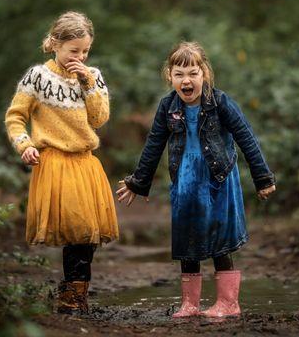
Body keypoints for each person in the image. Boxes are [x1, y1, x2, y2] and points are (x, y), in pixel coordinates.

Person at [117, 41, 275, 319]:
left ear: (205, 73)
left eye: (192, 73)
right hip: (185, 182)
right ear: (170, 76)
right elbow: (154, 144)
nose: (186, 80)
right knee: (186, 238)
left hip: (218, 179)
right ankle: (190, 304)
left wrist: (262, 178)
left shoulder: (221, 102)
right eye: (179, 74)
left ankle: (228, 302)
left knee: (219, 239)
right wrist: (138, 181)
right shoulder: (167, 106)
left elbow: (246, 138)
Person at [5, 11, 118, 315]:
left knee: (86, 236)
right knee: (77, 231)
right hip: (55, 162)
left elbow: (99, 119)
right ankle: (71, 297)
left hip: (85, 163)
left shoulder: (92, 76)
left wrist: (88, 83)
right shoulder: (38, 77)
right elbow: (16, 117)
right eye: (74, 51)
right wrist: (24, 145)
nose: (80, 56)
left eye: (85, 51)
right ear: (55, 44)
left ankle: (74, 294)